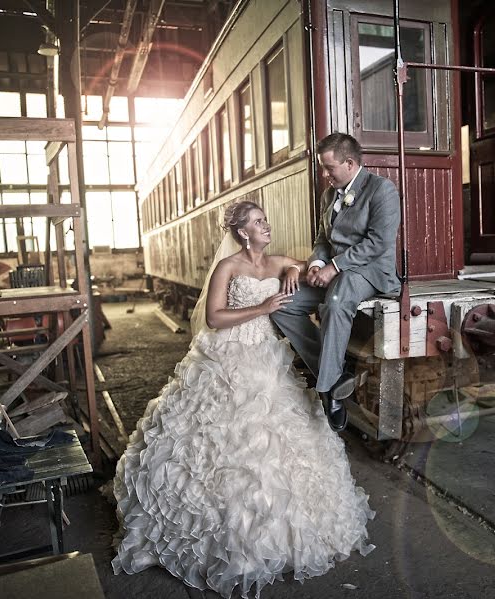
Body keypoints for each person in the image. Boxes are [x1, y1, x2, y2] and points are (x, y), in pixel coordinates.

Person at [111, 200, 375, 599]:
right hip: (227, 355)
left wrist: (290, 270)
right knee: (220, 442)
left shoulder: (274, 262)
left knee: (280, 438)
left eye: (265, 220)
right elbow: (214, 317)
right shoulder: (228, 267)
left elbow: (306, 267)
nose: (266, 226)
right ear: (241, 233)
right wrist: (263, 307)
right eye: (258, 222)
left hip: (266, 357)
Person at [271, 132, 400, 432]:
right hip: (334, 269)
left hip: (371, 272)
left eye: (329, 168)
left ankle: (328, 393)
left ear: (351, 163)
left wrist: (334, 266)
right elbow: (322, 239)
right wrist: (316, 264)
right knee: (282, 304)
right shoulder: (329, 194)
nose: (325, 175)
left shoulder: (382, 190)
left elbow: (378, 243)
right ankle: (335, 375)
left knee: (338, 298)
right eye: (323, 169)